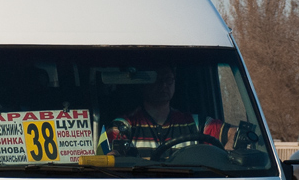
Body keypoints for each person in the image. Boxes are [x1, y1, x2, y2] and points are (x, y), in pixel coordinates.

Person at [99, 66, 235, 158]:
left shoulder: (196, 123)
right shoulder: (124, 125)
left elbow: (234, 133)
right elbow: (110, 156)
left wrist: (229, 153)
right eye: (157, 80)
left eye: (168, 79)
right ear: (143, 84)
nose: (164, 85)